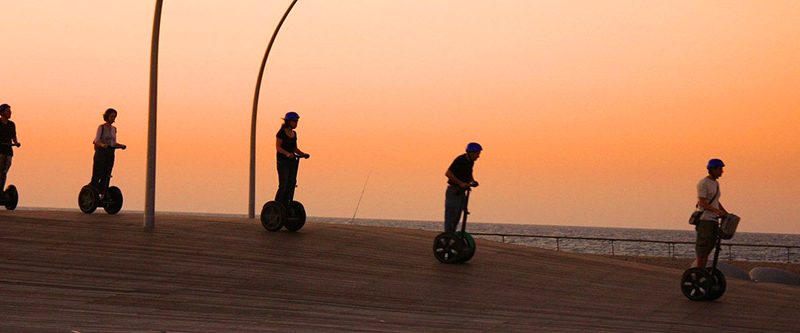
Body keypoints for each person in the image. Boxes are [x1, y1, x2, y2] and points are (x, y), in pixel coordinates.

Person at [692, 158, 729, 268]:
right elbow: (702, 203)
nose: (722, 171)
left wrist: (725, 213)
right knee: (702, 249)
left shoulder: (716, 183)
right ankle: (698, 272)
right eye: (720, 169)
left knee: (708, 249)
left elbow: (716, 201)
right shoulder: (703, 183)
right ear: (712, 169)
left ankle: (702, 271)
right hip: (705, 220)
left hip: (713, 220)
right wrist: (717, 211)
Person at [443, 142, 482, 232]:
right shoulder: (460, 160)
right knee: (451, 215)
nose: (478, 156)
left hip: (462, 191)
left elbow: (469, 173)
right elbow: (448, 173)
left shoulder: (470, 162)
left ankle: (453, 236)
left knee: (458, 215)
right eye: (477, 154)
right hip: (454, 190)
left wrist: (472, 181)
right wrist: (460, 183)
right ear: (471, 152)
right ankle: (448, 236)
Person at [274, 111, 309, 206]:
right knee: (284, 183)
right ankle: (278, 204)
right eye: (294, 121)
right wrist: (287, 154)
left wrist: (303, 154)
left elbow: (295, 148)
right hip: (283, 161)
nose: (296, 123)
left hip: (292, 161)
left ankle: (287, 203)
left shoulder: (294, 134)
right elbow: (278, 147)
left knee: (292, 183)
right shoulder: (281, 133)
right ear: (288, 121)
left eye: (297, 121)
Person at [90, 108, 126, 197]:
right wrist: (103, 145)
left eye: (114, 117)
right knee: (98, 172)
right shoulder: (101, 127)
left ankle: (104, 192)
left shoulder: (114, 129)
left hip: (110, 153)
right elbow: (96, 140)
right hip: (101, 153)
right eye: (111, 116)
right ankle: (92, 191)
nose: (113, 118)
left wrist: (121, 146)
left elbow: (113, 143)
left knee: (107, 174)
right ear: (107, 117)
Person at [0, 104, 21, 196]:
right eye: (7, 111)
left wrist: (16, 142)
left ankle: (1, 191)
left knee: (4, 171)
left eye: (10, 111)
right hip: (0, 150)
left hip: (8, 150)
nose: (10, 113)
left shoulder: (11, 124)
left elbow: (13, 136)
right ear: (1, 113)